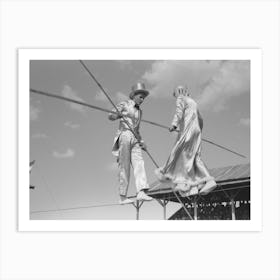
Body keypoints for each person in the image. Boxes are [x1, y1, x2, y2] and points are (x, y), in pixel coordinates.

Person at [155, 85, 217, 196]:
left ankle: (187, 184)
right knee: (195, 157)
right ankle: (208, 181)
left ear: (178, 92)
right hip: (196, 131)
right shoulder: (193, 102)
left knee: (180, 154)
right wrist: (198, 133)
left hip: (188, 131)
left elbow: (179, 112)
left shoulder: (181, 99)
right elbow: (201, 119)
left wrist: (174, 125)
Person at [108, 82, 153, 204]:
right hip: (125, 135)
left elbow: (137, 129)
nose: (142, 99)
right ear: (134, 95)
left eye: (144, 97)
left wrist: (141, 141)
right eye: (141, 96)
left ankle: (141, 192)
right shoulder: (125, 104)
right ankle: (122, 196)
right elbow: (110, 116)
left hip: (134, 137)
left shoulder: (140, 112)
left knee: (139, 163)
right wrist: (117, 115)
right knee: (125, 166)